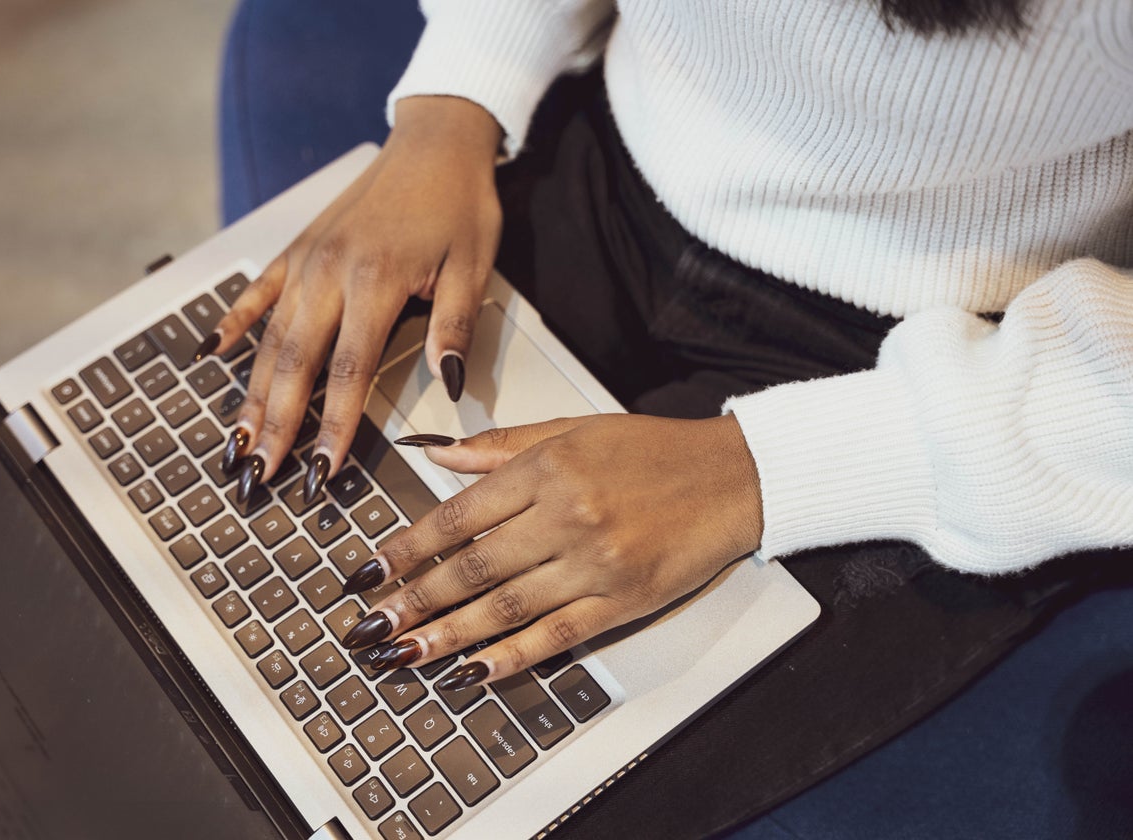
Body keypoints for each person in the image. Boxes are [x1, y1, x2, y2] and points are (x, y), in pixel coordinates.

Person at [211, 0, 1133, 833]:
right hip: (605, 154)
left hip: (940, 356)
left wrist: (761, 470)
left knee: (450, 772)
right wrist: (451, 109)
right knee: (216, 549)